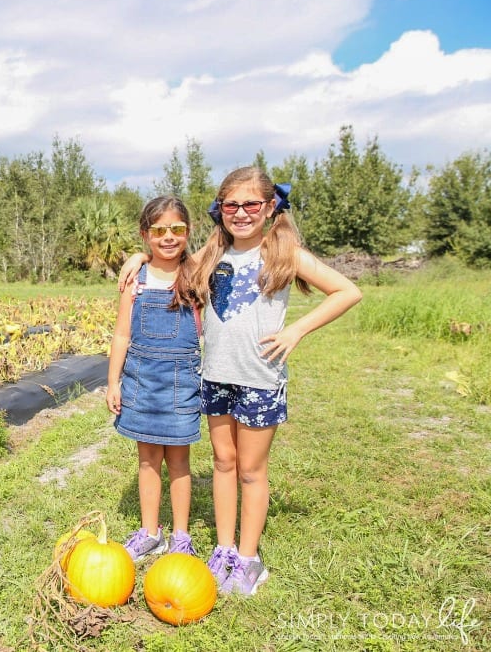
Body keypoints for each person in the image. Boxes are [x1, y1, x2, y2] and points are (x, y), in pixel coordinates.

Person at [117, 167, 362, 595]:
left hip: (259, 380)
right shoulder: (212, 254)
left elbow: (346, 291)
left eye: (252, 204)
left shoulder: (284, 252)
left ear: (270, 208)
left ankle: (249, 558)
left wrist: (296, 331)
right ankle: (225, 548)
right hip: (214, 378)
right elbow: (167, 262)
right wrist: (139, 258)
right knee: (223, 464)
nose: (242, 213)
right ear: (220, 211)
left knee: (251, 470)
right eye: (232, 205)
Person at [107, 196, 203, 561]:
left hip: (181, 386)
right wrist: (113, 381)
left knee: (179, 463)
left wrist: (141, 254)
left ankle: (180, 535)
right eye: (159, 231)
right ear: (146, 234)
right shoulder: (136, 281)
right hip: (141, 384)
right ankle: (150, 533)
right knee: (147, 460)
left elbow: (223, 244)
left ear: (188, 232)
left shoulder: (196, 275)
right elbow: (121, 335)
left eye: (176, 229)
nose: (168, 237)